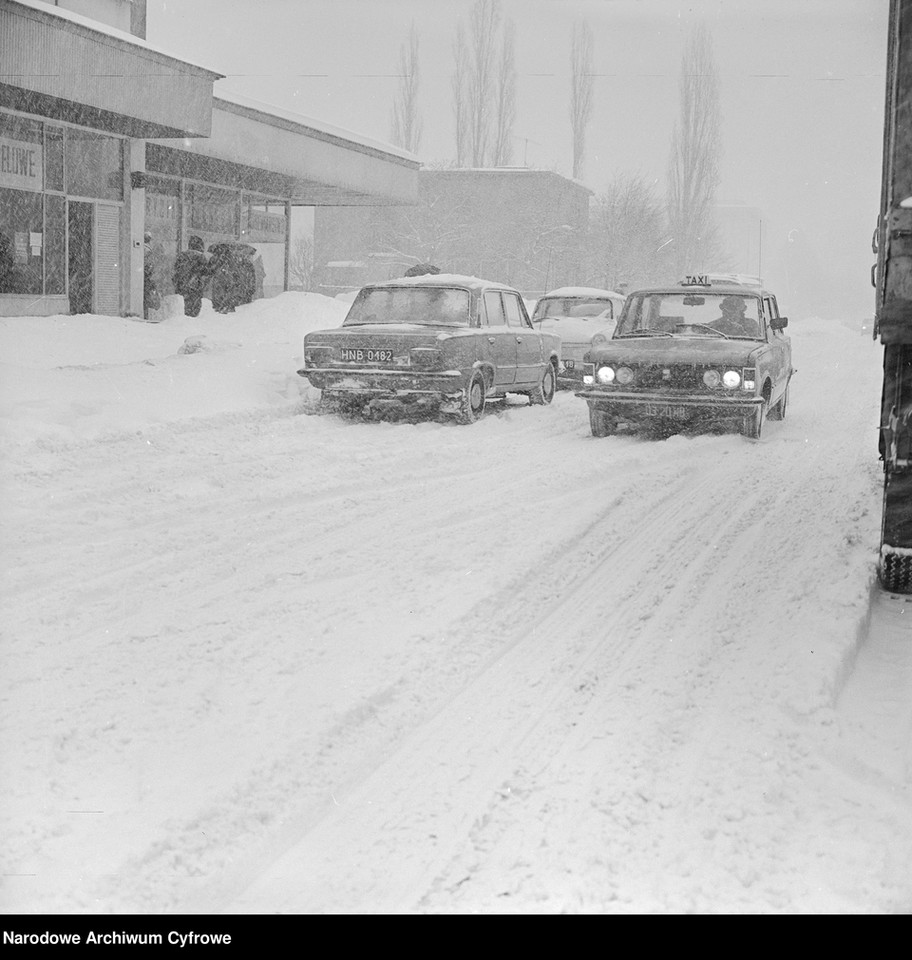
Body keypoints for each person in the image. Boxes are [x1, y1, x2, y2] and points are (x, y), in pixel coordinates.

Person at [172, 235, 211, 317]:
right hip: (194, 286)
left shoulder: (182, 255)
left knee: (183, 307)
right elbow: (206, 271)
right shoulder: (200, 257)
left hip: (181, 286)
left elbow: (176, 270)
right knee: (193, 310)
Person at [143, 231, 161, 320]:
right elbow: (149, 265)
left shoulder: (143, 248)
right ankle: (146, 315)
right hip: (146, 277)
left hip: (143, 277)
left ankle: (146, 313)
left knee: (146, 296)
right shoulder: (147, 250)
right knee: (147, 296)